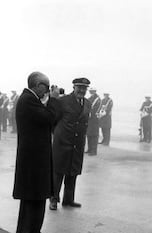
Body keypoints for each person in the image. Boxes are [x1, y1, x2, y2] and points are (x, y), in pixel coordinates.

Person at [13, 72, 60, 233]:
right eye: (46, 86)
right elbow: (50, 118)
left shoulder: (31, 100)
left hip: (34, 163)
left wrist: (48, 101)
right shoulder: (28, 100)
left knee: (33, 206)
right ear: (38, 85)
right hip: (34, 164)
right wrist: (53, 99)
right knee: (33, 207)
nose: (47, 90)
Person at [49, 78, 91, 210]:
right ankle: (53, 199)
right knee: (58, 173)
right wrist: (59, 135)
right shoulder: (63, 101)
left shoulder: (88, 103)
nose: (82, 91)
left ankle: (68, 200)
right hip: (62, 142)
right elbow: (53, 120)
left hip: (78, 143)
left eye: (84, 88)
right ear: (73, 87)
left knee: (72, 172)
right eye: (79, 88)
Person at [86, 87, 101, 155]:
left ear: (95, 91)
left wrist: (91, 113)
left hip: (95, 119)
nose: (91, 92)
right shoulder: (90, 98)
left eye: (92, 91)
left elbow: (97, 109)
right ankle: (89, 149)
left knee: (94, 135)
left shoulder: (98, 99)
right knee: (89, 134)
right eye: (90, 91)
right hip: (89, 119)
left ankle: (94, 151)